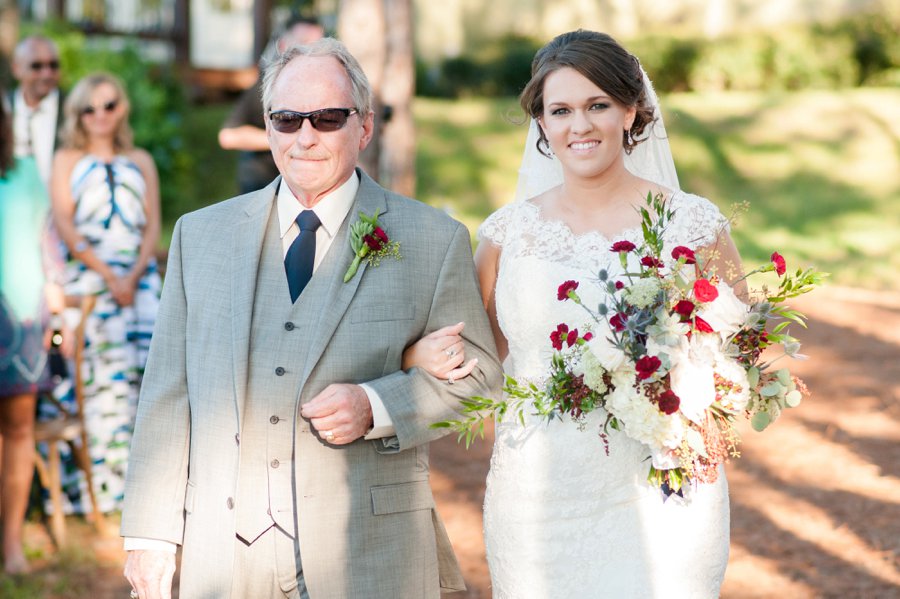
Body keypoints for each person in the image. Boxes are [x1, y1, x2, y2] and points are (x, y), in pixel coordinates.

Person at [121, 37, 503, 599]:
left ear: (364, 128)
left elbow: (480, 379)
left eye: (327, 118)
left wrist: (375, 406)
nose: (305, 136)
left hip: (370, 551)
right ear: (269, 126)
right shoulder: (198, 236)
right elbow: (166, 392)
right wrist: (151, 536)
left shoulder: (432, 238)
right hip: (225, 552)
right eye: (287, 118)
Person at [405, 30, 743, 597]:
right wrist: (417, 353)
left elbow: (749, 347)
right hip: (539, 502)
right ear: (540, 122)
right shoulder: (507, 235)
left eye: (598, 106)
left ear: (631, 111)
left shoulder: (693, 224)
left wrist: (703, 391)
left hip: (667, 491)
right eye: (559, 110)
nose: (578, 126)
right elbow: (475, 357)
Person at [49, 72, 162, 513]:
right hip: (90, 282)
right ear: (78, 114)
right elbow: (65, 223)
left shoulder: (141, 159)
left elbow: (152, 222)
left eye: (109, 105)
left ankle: (146, 485)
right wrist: (108, 275)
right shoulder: (67, 160)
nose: (100, 115)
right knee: (97, 380)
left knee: (144, 378)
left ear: (122, 108)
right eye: (89, 108)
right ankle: (96, 489)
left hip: (140, 280)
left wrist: (133, 274)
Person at [0, 84, 66, 574]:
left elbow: (49, 251)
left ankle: (11, 545)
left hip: (20, 320)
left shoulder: (25, 176)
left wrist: (55, 310)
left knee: (19, 431)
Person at [218, 15, 324, 194]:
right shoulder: (268, 87)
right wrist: (283, 139)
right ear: (283, 46)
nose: (311, 52)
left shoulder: (327, 89)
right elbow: (228, 136)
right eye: (304, 43)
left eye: (319, 45)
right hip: (263, 184)